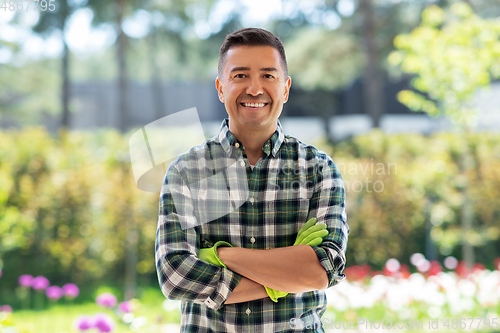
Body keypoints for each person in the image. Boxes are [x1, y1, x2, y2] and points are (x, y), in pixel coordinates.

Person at [155, 27, 349, 333]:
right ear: (221, 88)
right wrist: (284, 277)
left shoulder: (319, 170)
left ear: (285, 88)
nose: (255, 89)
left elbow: (323, 269)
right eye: (240, 76)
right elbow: (174, 275)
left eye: (268, 76)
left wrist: (221, 256)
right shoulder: (186, 172)